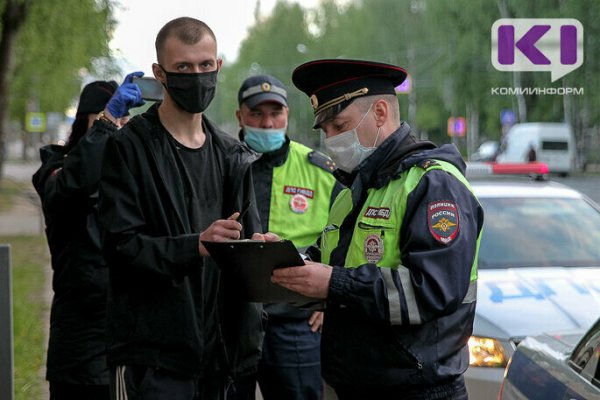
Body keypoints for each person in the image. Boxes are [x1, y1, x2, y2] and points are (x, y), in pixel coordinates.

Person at [271, 59, 485, 399]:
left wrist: (332, 282)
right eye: (325, 131)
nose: (330, 140)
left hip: (418, 390)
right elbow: (331, 262)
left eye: (339, 125)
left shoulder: (433, 185)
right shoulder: (351, 187)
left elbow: (432, 292)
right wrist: (281, 258)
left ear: (380, 112)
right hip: (353, 383)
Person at [97, 17, 266, 400]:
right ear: (160, 73)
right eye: (184, 68)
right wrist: (196, 245)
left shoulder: (233, 155)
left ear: (218, 66)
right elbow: (119, 247)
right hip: (153, 359)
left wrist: (264, 250)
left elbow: (246, 249)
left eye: (206, 65)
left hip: (221, 358)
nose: (198, 76)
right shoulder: (128, 148)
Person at [32, 75, 144, 400]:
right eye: (108, 117)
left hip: (129, 334)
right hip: (80, 338)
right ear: (86, 122)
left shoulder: (131, 172)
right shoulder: (55, 169)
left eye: (124, 118)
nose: (118, 125)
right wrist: (107, 125)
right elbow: (73, 186)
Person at [235, 75, 341, 400]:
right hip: (232, 318)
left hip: (296, 322)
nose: (267, 123)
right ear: (240, 116)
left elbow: (345, 239)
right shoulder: (223, 163)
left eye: (275, 113)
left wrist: (331, 300)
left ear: (287, 115)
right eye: (257, 114)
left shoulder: (320, 171)